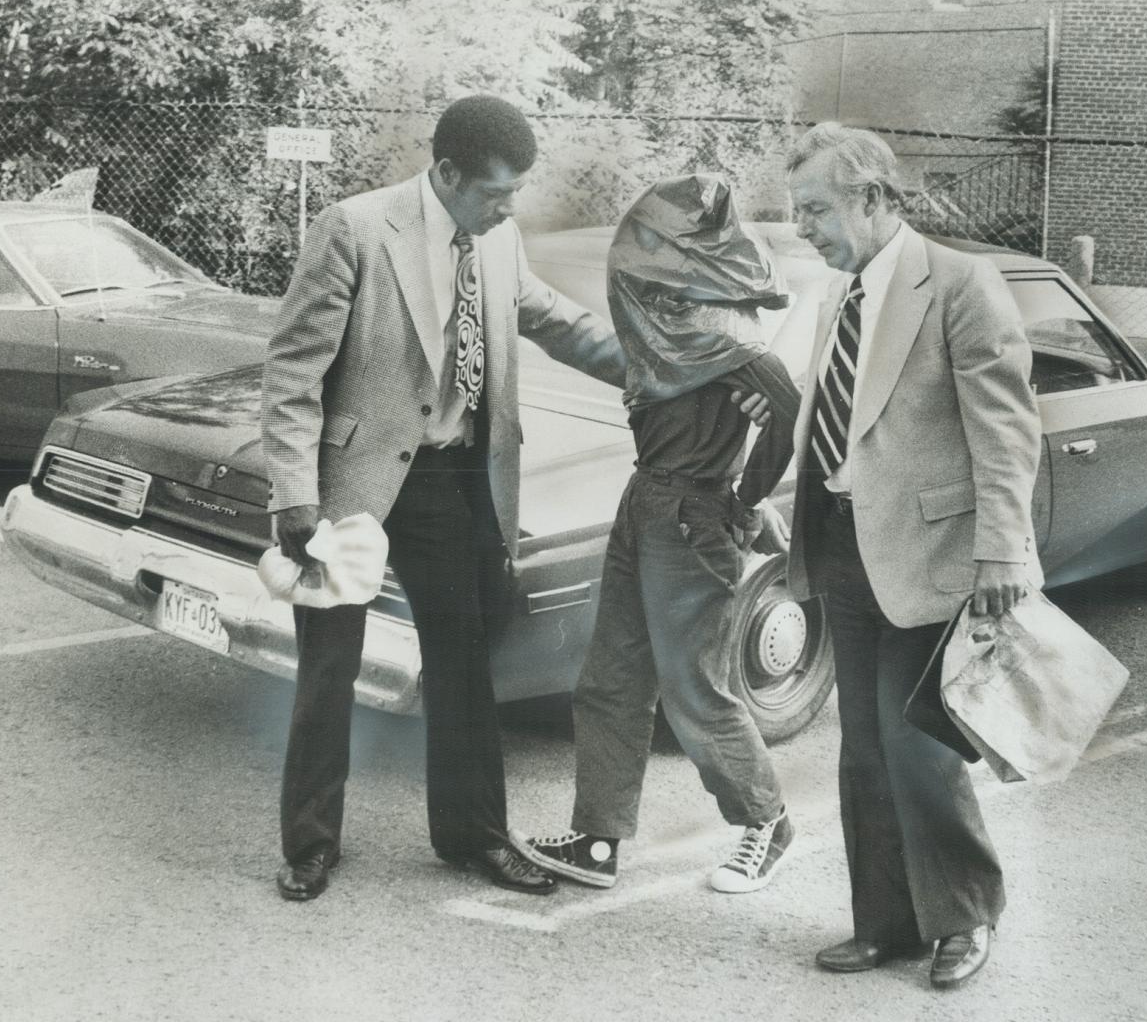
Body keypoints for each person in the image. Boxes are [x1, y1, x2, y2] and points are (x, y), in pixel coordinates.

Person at [261, 94, 629, 901]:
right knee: (330, 667)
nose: (508, 208)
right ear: (448, 171)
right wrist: (293, 494)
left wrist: (656, 371)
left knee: (464, 664)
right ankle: (310, 845)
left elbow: (554, 320)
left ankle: (473, 837)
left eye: (516, 194)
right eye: (496, 192)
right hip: (350, 483)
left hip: (454, 481)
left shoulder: (497, 242)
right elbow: (292, 373)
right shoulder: (354, 228)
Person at [783, 123, 1042, 988]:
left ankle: (966, 915)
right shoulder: (841, 294)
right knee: (860, 746)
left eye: (815, 209)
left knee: (914, 743)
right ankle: (886, 925)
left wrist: (1004, 550)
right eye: (796, 212)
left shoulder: (961, 283)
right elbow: (839, 423)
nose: (802, 228)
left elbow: (1004, 431)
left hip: (933, 554)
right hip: (845, 547)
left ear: (870, 199)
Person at [517, 174, 799, 894]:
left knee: (692, 689)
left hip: (693, 518)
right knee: (610, 680)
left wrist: (745, 496)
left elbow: (791, 412)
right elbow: (582, 343)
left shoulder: (731, 345)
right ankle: (599, 840)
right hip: (645, 503)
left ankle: (766, 822)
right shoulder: (667, 341)